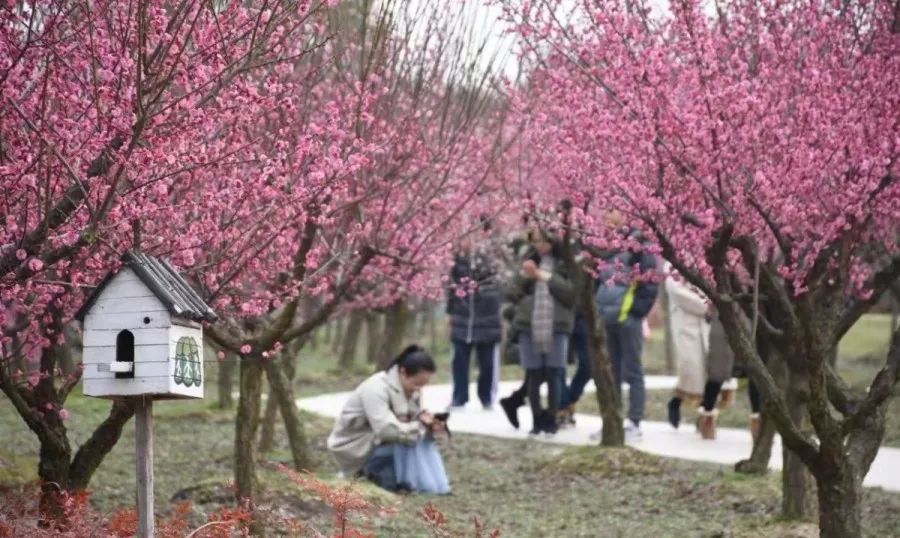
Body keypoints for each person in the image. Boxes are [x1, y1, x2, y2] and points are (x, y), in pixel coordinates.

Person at [326, 346, 450, 494]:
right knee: (392, 480)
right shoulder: (376, 389)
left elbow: (411, 422)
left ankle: (405, 480)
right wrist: (419, 427)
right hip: (358, 447)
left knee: (420, 443)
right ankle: (361, 472)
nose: (418, 390)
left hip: (384, 443)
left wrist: (430, 424)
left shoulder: (411, 390)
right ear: (403, 372)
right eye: (416, 384)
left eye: (422, 386)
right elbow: (386, 430)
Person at [594, 214, 659, 440]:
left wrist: (636, 312)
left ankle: (634, 422)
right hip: (608, 318)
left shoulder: (640, 245)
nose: (609, 216)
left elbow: (651, 282)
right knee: (612, 372)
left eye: (614, 210)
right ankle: (613, 420)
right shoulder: (608, 245)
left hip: (628, 318)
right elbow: (598, 278)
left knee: (633, 370)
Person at [504, 227, 575, 436]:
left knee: (554, 372)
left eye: (543, 241)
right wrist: (527, 276)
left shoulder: (565, 263)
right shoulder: (527, 259)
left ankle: (552, 418)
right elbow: (512, 292)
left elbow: (570, 294)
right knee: (533, 373)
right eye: (535, 241)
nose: (539, 246)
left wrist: (543, 276)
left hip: (557, 324)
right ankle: (536, 419)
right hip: (529, 324)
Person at [446, 236, 503, 410]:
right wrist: (450, 312)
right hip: (461, 318)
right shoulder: (455, 262)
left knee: (487, 363)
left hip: (487, 319)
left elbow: (500, 285)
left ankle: (486, 397)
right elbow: (450, 288)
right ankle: (459, 397)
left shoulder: (493, 257)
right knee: (459, 360)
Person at [664, 269, 711, 429]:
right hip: (686, 321)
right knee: (690, 368)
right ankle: (676, 401)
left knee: (710, 372)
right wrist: (705, 305)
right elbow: (675, 289)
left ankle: (705, 415)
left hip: (709, 323)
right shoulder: (673, 262)